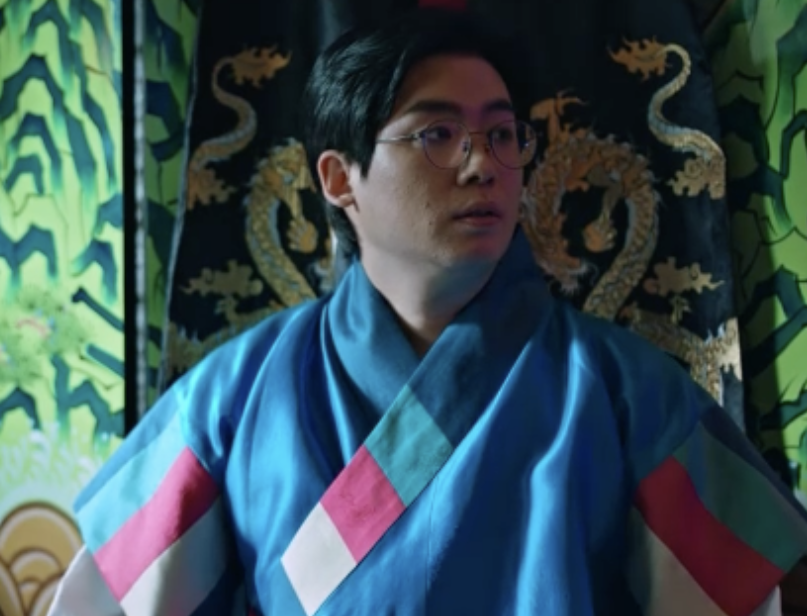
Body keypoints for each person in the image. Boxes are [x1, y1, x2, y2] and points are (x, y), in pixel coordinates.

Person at [50, 7, 807, 615]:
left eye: (502, 134)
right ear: (339, 179)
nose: (483, 164)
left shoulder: (625, 394)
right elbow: (111, 599)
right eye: (438, 134)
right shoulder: (233, 397)